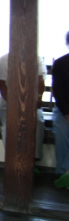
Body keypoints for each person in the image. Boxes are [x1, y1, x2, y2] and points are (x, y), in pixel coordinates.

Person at [0, 53, 46, 163]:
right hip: (8, 99)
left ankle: (33, 160)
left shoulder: (36, 58)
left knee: (38, 122)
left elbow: (40, 80)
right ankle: (11, 159)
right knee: (8, 125)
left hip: (31, 99)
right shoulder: (4, 59)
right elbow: (2, 85)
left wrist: (38, 98)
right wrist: (15, 105)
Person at [52, 31, 69, 189]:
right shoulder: (61, 63)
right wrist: (66, 113)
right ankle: (63, 172)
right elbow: (58, 91)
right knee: (62, 134)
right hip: (63, 109)